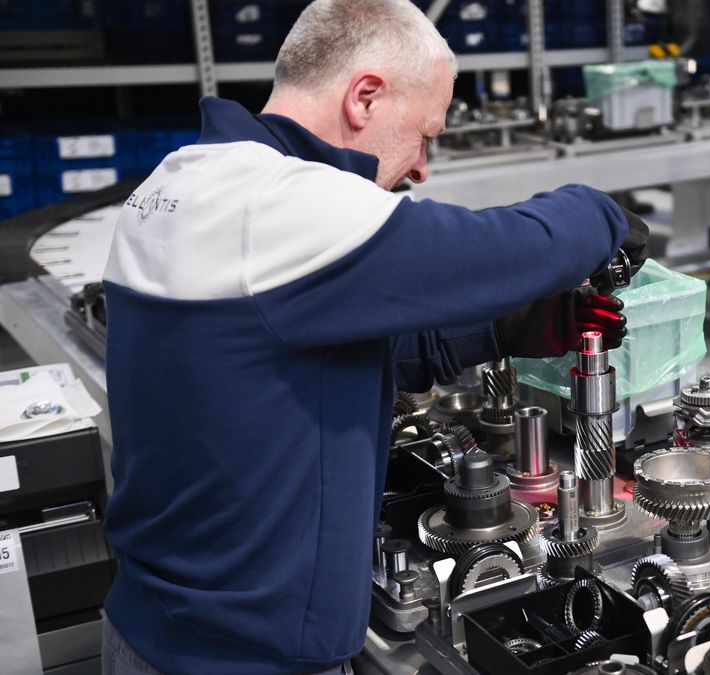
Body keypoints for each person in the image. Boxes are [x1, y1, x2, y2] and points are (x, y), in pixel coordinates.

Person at [99, 1, 648, 673]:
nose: (421, 167)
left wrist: (507, 328)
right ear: (365, 97)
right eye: (425, 135)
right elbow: (502, 250)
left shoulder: (186, 183)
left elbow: (328, 352)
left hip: (158, 630)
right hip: (239, 658)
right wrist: (601, 213)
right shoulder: (280, 204)